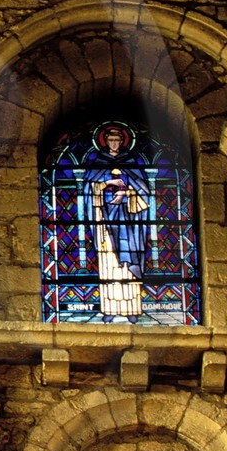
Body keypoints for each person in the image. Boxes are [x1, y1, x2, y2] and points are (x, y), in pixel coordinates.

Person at [80, 125, 150, 321]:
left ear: (122, 142)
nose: (114, 144)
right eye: (110, 140)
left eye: (117, 140)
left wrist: (126, 192)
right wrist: (108, 184)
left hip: (128, 221)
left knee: (129, 262)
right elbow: (88, 190)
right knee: (109, 263)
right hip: (105, 220)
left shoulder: (131, 162)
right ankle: (110, 310)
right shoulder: (99, 163)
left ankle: (132, 310)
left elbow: (144, 191)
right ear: (105, 142)